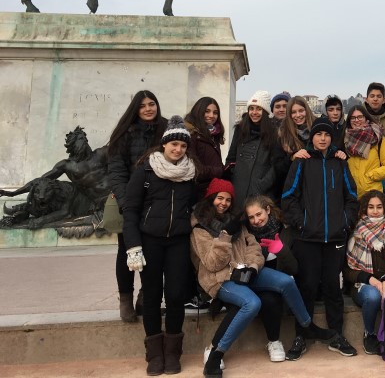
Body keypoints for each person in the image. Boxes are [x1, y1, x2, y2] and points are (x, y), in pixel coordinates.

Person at [192, 180, 332, 375]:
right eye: (219, 198)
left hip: (245, 273)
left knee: (286, 281)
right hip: (221, 279)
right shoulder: (200, 228)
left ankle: (307, 325)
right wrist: (224, 236)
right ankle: (215, 353)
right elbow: (212, 263)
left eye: (228, 199)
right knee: (252, 303)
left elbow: (254, 248)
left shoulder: (238, 224)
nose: (223, 203)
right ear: (210, 199)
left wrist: (252, 267)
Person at [122, 115, 197, 375]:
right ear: (164, 144)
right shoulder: (146, 170)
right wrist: (133, 245)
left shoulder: (190, 173)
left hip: (177, 241)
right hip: (150, 241)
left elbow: (195, 206)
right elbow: (130, 210)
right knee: (152, 295)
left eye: (183, 146)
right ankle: (154, 353)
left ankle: (173, 351)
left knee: (176, 295)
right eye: (174, 144)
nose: (178, 149)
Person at [282, 117, 360, 359]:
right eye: (318, 134)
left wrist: (345, 223)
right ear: (312, 137)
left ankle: (336, 335)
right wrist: (301, 223)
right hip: (308, 239)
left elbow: (352, 197)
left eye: (327, 134)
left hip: (334, 239)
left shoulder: (340, 163)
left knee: (333, 290)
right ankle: (301, 335)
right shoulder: (302, 162)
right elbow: (288, 197)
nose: (323, 138)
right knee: (305, 288)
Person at [106, 90, 167, 323]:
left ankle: (145, 297)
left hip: (157, 202)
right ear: (135, 109)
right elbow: (117, 172)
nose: (149, 108)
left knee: (154, 253)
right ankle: (125, 300)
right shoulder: (123, 135)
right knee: (126, 252)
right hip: (130, 202)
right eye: (143, 106)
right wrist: (125, 202)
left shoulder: (165, 130)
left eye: (152, 104)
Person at [344, 190, 385, 355]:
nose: (375, 211)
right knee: (373, 296)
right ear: (365, 209)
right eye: (371, 207)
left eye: (379, 207)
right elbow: (347, 269)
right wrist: (370, 280)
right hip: (363, 283)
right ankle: (370, 334)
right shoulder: (356, 231)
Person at [225, 90, 286, 205]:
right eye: (251, 108)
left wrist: (262, 184)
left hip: (261, 190)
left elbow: (276, 165)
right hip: (238, 187)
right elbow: (231, 157)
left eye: (258, 109)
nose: (254, 112)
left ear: (265, 111)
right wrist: (233, 176)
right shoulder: (240, 129)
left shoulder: (274, 132)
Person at [343, 105, 385, 197]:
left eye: (360, 117)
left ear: (366, 118)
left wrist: (371, 176)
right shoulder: (345, 139)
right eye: (353, 118)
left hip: (372, 195)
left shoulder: (378, 138)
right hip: (351, 196)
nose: (356, 120)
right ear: (349, 120)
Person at [185, 96, 225, 200]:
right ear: (198, 111)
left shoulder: (213, 135)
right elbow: (194, 168)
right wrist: (220, 170)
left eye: (215, 113)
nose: (211, 116)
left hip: (211, 190)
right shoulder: (191, 135)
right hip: (196, 192)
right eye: (207, 111)